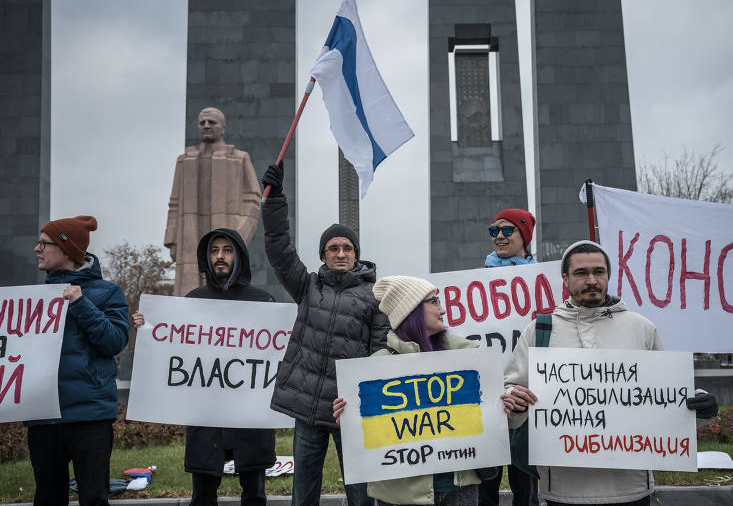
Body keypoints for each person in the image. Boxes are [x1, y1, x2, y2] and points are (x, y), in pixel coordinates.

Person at [501, 240, 719, 506]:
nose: (592, 280)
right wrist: (515, 400)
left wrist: (701, 405)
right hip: (563, 489)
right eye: (581, 273)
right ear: (565, 279)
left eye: (599, 272)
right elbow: (511, 393)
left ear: (608, 276)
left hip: (632, 487)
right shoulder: (539, 329)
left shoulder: (641, 328)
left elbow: (665, 393)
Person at [261, 163, 389, 506]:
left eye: (347, 248)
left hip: (351, 410)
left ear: (356, 254)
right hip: (309, 411)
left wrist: (366, 403)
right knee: (303, 495)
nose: (341, 253)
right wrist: (274, 202)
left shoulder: (376, 296)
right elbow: (279, 251)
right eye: (333, 248)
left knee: (362, 496)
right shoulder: (308, 286)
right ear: (323, 255)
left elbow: (379, 356)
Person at [133, 228, 276, 506]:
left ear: (239, 256)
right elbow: (174, 349)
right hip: (206, 413)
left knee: (255, 493)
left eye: (226, 250)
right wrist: (148, 327)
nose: (219, 257)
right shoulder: (193, 300)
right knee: (203, 493)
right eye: (214, 251)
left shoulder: (261, 301)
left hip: (249, 414)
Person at [333, 275, 482, 506]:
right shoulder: (375, 369)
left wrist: (508, 406)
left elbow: (497, 416)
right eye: (434, 302)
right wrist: (350, 420)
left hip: (459, 488)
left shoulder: (468, 354)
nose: (442, 310)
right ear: (412, 312)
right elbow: (368, 436)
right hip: (399, 495)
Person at [26, 215, 130, 506]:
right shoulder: (33, 299)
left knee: (94, 498)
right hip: (43, 417)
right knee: (47, 498)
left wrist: (80, 304)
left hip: (89, 418)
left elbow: (114, 341)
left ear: (67, 250)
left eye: (44, 243)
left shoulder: (108, 293)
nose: (37, 248)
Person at [164, 107, 262, 296]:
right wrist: (172, 239)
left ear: (223, 128)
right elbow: (174, 203)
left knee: (223, 288)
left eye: (212, 122)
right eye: (202, 123)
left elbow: (253, 200)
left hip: (225, 231)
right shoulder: (185, 160)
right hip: (190, 232)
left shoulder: (239, 159)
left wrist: (238, 236)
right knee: (190, 292)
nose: (206, 126)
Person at [480, 208, 538, 506]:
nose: (499, 237)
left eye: (507, 230)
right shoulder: (474, 282)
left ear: (525, 236)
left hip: (526, 395)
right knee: (484, 484)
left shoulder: (544, 282)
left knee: (525, 484)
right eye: (494, 231)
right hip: (487, 394)